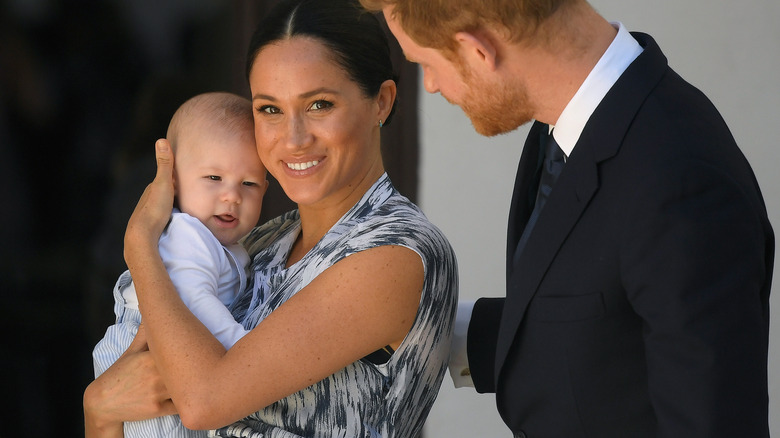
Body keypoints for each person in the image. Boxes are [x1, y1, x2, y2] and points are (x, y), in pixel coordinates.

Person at [359, 0, 774, 436]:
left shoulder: (680, 182)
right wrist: (421, 323)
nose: (432, 86)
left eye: (425, 63)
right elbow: (604, 327)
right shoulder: (570, 125)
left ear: (478, 50)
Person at [82, 0, 459, 437]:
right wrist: (98, 409)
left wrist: (140, 244)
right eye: (270, 109)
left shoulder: (395, 251)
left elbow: (203, 401)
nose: (293, 139)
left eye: (319, 104)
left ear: (382, 102)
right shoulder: (258, 243)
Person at [92, 91, 268, 437]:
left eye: (248, 184)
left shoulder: (228, 244)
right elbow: (195, 302)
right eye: (214, 178)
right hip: (146, 358)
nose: (232, 195)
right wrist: (246, 354)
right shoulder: (188, 236)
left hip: (171, 359)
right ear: (172, 182)